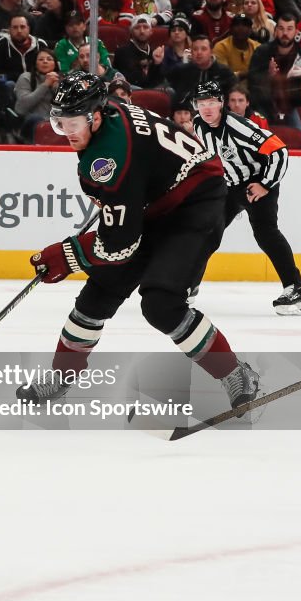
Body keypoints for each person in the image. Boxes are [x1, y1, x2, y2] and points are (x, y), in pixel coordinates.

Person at [19, 71, 264, 420]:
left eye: (73, 123)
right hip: (156, 203)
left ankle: (237, 374)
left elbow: (119, 245)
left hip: (196, 205)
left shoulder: (109, 158)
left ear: (97, 115)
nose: (68, 133)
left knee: (162, 304)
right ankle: (63, 374)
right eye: (60, 124)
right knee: (99, 293)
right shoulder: (110, 111)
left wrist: (69, 254)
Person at [190, 80, 301, 315]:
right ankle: (188, 285)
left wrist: (265, 184)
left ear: (221, 103)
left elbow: (279, 151)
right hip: (230, 185)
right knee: (205, 231)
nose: (207, 108)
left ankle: (295, 290)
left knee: (266, 233)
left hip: (257, 181)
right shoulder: (198, 124)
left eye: (212, 102)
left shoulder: (238, 126)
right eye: (201, 103)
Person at [247, 14, 301, 129]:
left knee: (299, 136)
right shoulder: (262, 51)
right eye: (281, 28)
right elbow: (252, 78)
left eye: (289, 29)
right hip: (263, 103)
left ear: (296, 32)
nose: (285, 33)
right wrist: (268, 74)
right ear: (275, 31)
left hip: (289, 105)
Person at [13, 47, 60, 142]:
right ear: (35, 63)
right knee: (36, 119)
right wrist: (46, 85)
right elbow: (21, 107)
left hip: (55, 123)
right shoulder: (26, 78)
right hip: (30, 122)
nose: (45, 62)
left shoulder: (63, 81)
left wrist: (56, 89)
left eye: (49, 59)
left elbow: (69, 108)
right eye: (41, 59)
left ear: (55, 64)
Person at [213, 14, 260, 83]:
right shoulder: (221, 47)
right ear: (231, 29)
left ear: (250, 30)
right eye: (237, 25)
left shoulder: (257, 47)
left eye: (245, 25)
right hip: (228, 87)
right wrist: (244, 74)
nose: (241, 28)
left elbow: (260, 74)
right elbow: (223, 76)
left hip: (253, 86)